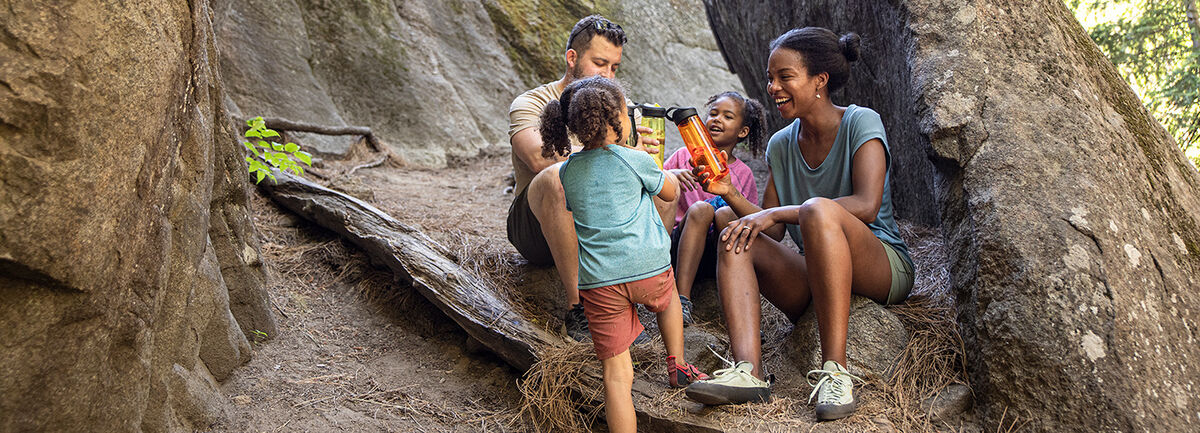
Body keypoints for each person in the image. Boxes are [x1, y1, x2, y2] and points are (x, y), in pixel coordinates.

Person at [684, 27, 915, 421]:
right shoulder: (780, 144)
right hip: (818, 272)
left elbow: (866, 205)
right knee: (734, 236)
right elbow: (770, 231)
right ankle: (749, 373)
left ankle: (836, 372)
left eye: (785, 77)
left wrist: (779, 212)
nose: (773, 87)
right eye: (771, 77)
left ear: (819, 80)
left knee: (817, 209)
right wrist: (730, 193)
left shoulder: (861, 122)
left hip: (880, 263)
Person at [541, 76, 709, 433]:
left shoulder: (568, 171)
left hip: (601, 284)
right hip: (649, 268)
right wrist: (653, 165)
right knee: (668, 300)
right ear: (619, 117)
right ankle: (677, 363)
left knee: (616, 377)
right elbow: (670, 192)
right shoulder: (635, 158)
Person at [506, 15, 674, 342]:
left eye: (614, 68)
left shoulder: (615, 110)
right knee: (559, 175)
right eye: (600, 63)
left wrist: (640, 159)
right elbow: (540, 159)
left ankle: (646, 284)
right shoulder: (531, 102)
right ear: (572, 58)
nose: (608, 75)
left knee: (661, 186)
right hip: (536, 225)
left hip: (603, 222)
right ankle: (579, 308)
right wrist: (616, 151)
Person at [663, 91, 766, 325]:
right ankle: (682, 300)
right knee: (701, 209)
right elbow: (656, 184)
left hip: (717, 253)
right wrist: (672, 175)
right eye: (713, 113)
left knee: (726, 213)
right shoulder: (682, 157)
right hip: (680, 248)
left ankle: (740, 310)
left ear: (743, 132)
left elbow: (749, 221)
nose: (717, 119)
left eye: (727, 116)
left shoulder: (744, 174)